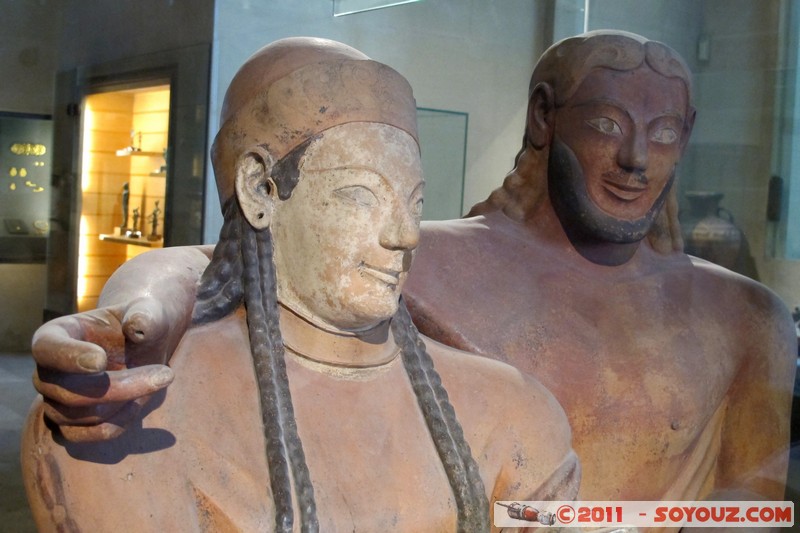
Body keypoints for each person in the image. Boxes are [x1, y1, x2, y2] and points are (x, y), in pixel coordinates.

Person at [28, 29, 795, 509]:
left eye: (664, 133)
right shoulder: (442, 257)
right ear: (542, 116)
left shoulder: (745, 315)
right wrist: (138, 311)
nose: (637, 158)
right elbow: (230, 257)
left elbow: (756, 500)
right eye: (606, 124)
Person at [22, 37, 578, 532]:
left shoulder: (514, 412)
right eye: (362, 194)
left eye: (416, 202)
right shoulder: (133, 415)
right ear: (261, 192)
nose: (406, 234)